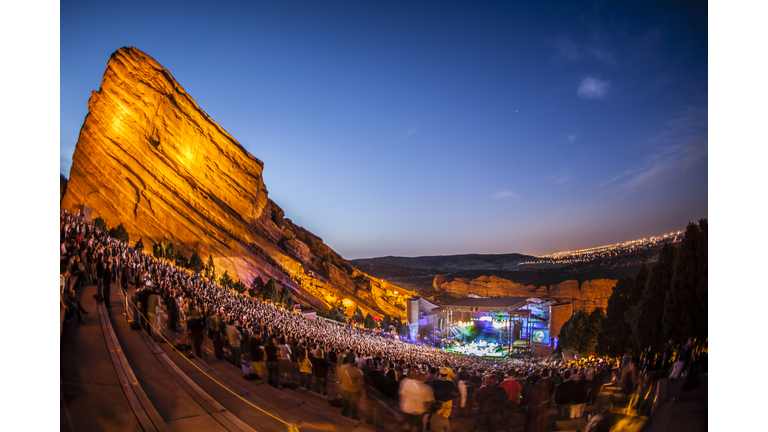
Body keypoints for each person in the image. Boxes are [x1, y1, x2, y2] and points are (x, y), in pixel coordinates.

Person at [339, 353, 364, 420]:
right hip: (355, 390)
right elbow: (361, 383)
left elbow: (340, 378)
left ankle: (344, 414)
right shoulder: (359, 372)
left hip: (345, 388)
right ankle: (354, 416)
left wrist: (341, 386)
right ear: (355, 361)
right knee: (355, 404)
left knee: (346, 403)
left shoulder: (342, 368)